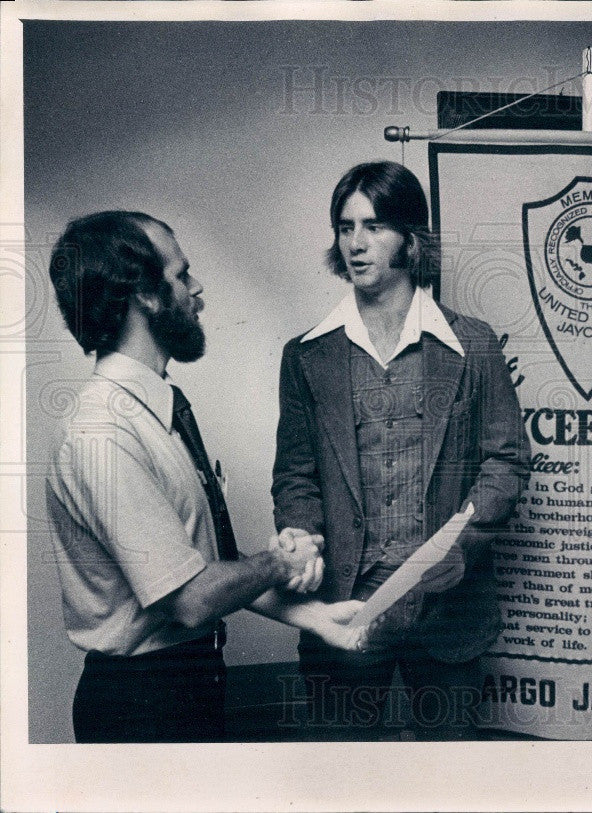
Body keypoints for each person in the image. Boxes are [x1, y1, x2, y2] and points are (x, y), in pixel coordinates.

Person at [46, 210, 366, 742]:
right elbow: (191, 597)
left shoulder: (153, 409)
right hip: (142, 706)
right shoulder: (103, 433)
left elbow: (199, 568)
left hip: (188, 685)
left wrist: (316, 618)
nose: (196, 289)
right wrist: (283, 561)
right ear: (144, 295)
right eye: (180, 274)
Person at [272, 161, 529, 739]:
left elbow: (506, 459)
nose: (357, 244)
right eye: (345, 227)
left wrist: (464, 545)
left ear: (411, 239)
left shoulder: (472, 344)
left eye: (375, 226)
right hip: (344, 611)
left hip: (447, 612)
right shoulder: (306, 356)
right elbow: (296, 473)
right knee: (344, 780)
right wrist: (302, 533)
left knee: (448, 781)